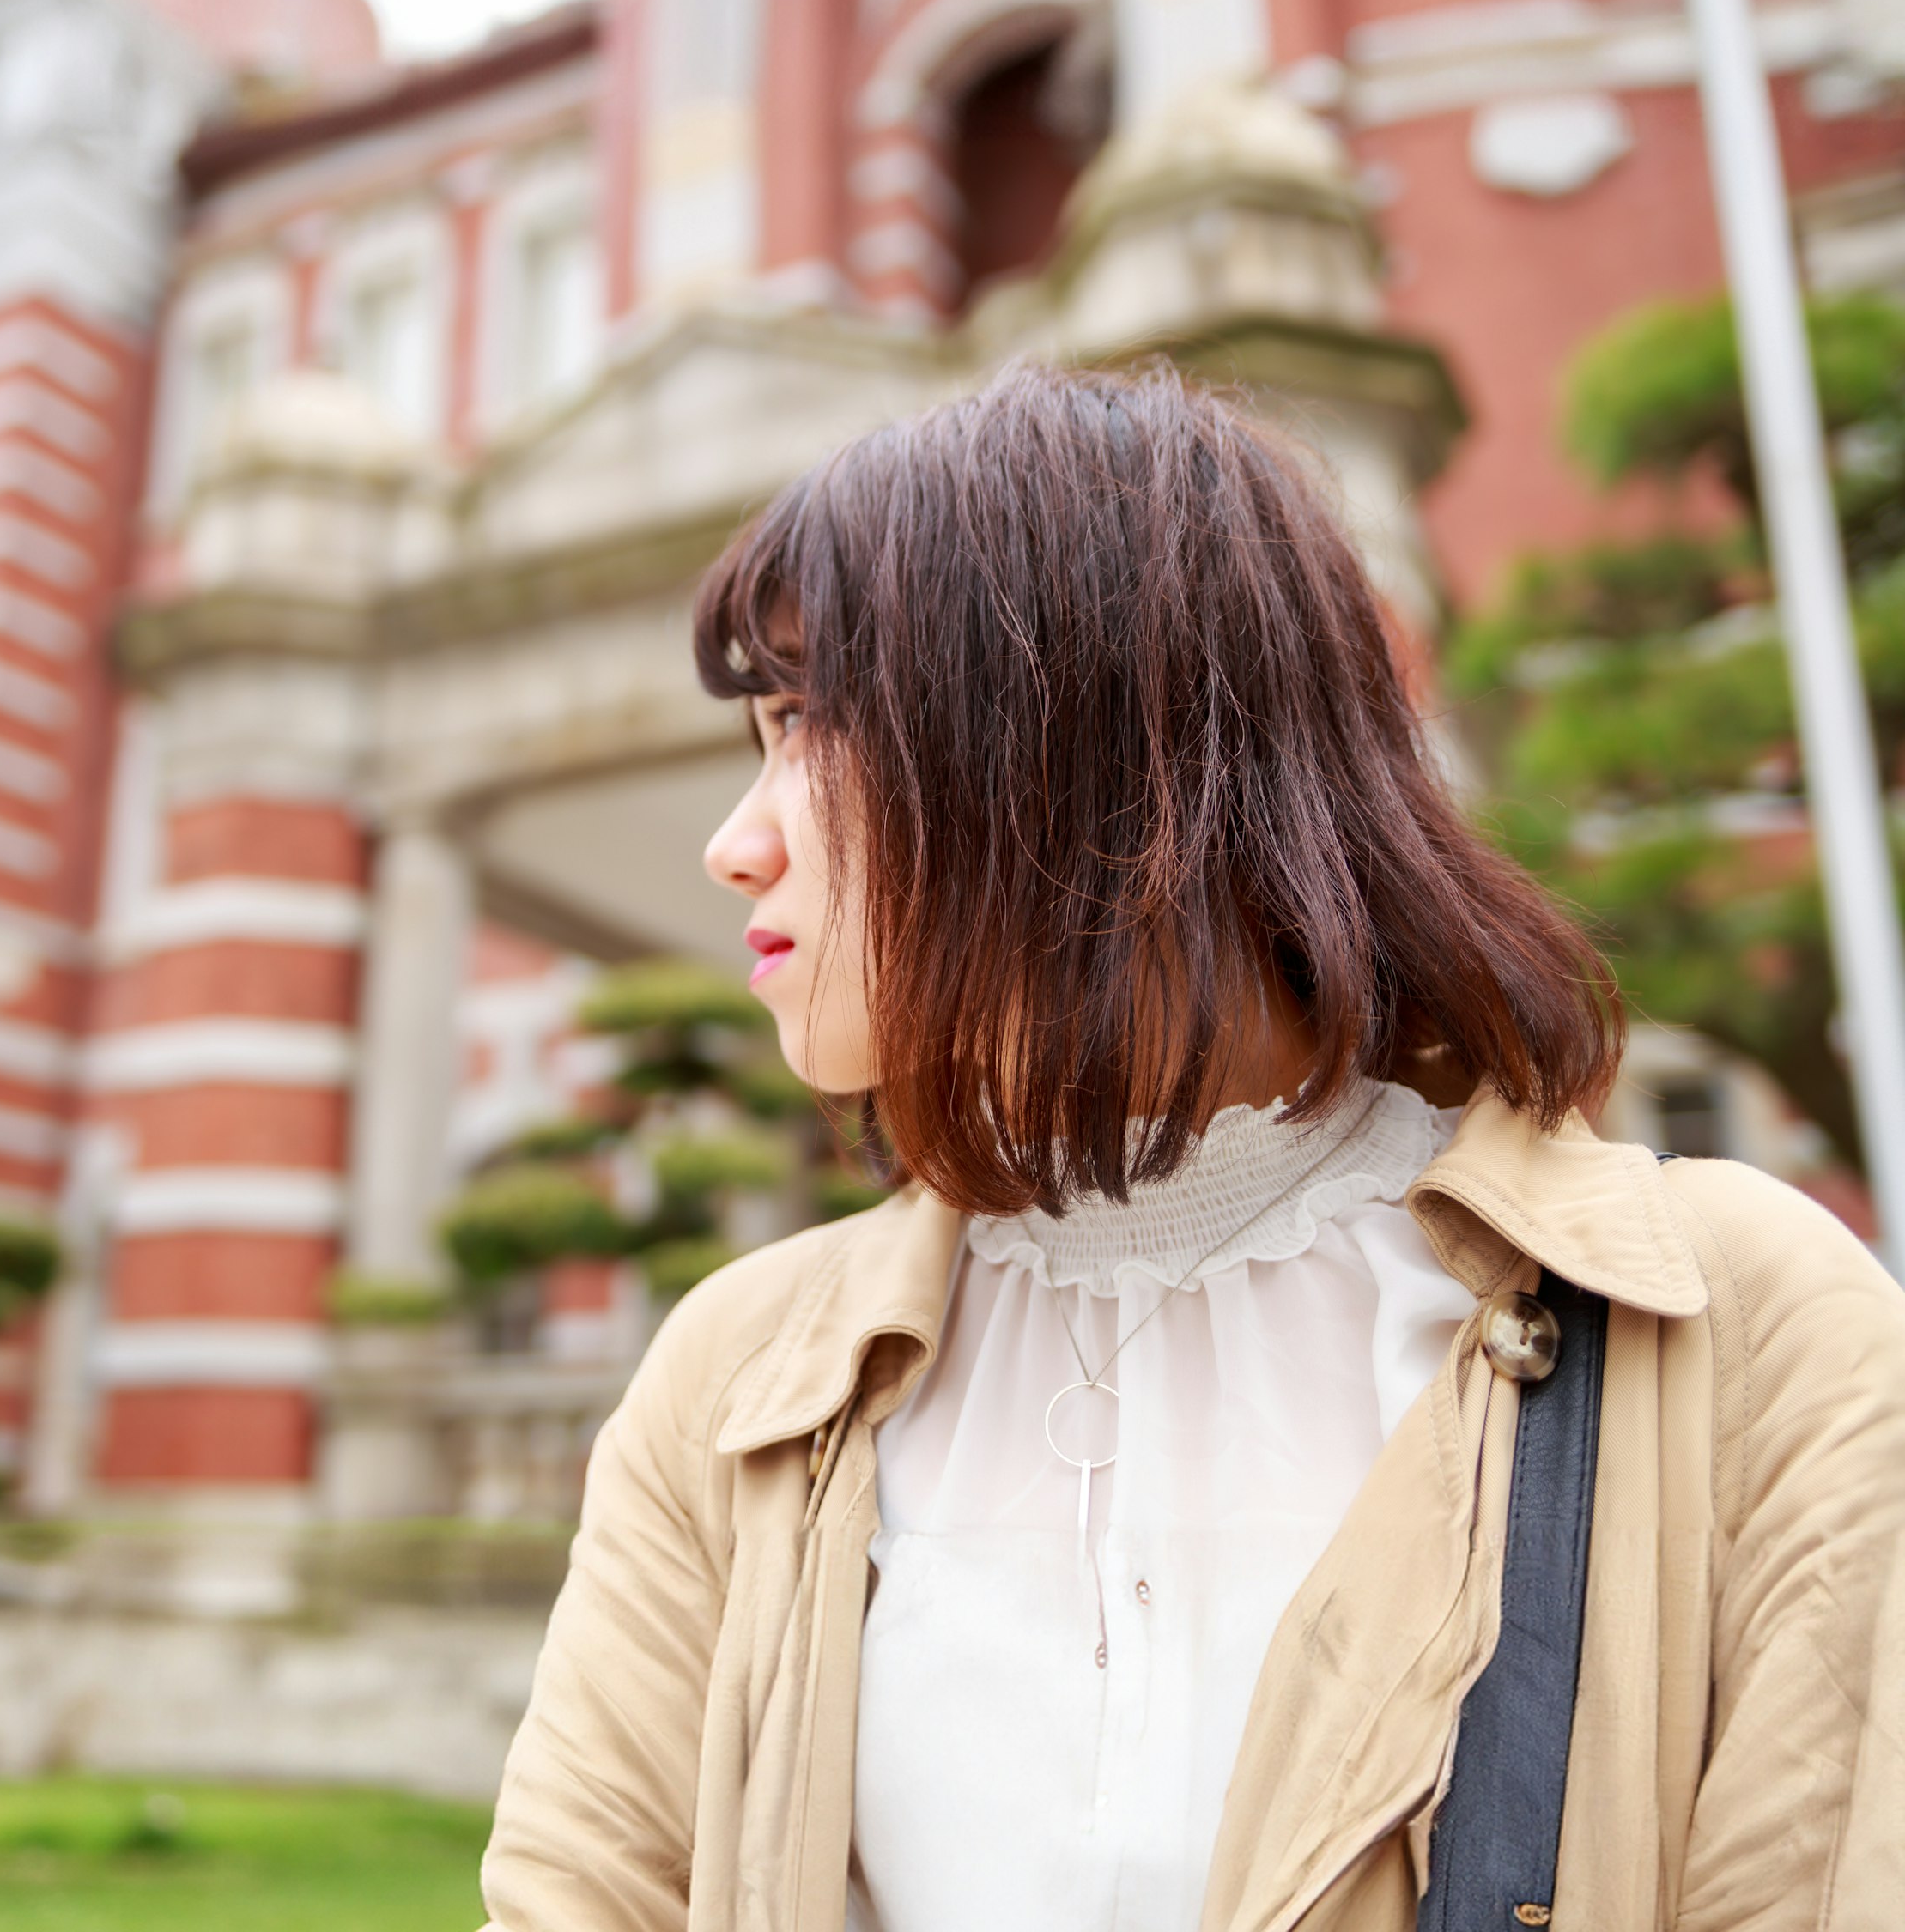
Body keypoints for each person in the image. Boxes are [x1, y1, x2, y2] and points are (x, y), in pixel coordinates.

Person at [477, 365, 1905, 1931]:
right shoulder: (738, 1379)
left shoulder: (1741, 1328)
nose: (733, 840)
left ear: (1091, 742)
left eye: (812, 726)